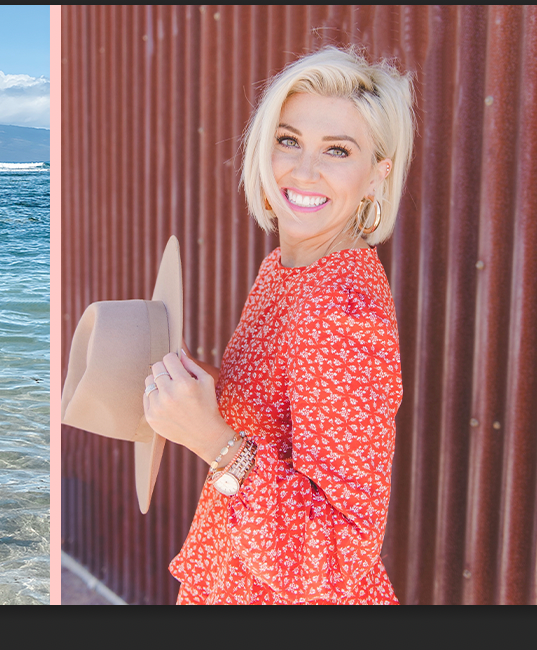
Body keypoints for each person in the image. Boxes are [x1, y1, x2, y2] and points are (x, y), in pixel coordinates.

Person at [141, 46, 414, 604]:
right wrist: (203, 389)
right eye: (288, 140)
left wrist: (217, 445)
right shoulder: (289, 268)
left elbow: (340, 556)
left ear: (376, 176)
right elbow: (288, 409)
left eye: (337, 150)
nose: (304, 169)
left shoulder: (340, 315)